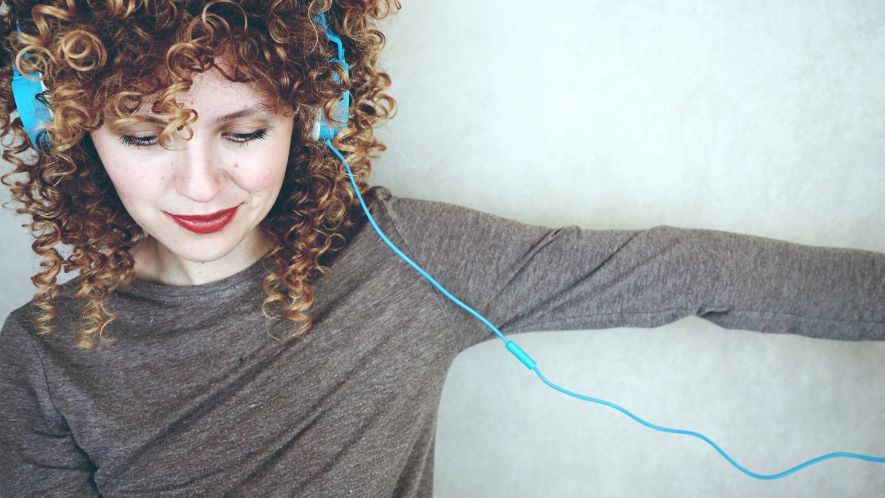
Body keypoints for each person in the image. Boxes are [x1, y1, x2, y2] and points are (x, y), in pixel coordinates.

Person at [0, 1, 882, 496]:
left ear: (316, 115)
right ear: (73, 138)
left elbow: (692, 271)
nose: (200, 186)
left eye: (244, 130)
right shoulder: (39, 355)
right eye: (145, 137)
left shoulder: (403, 261)